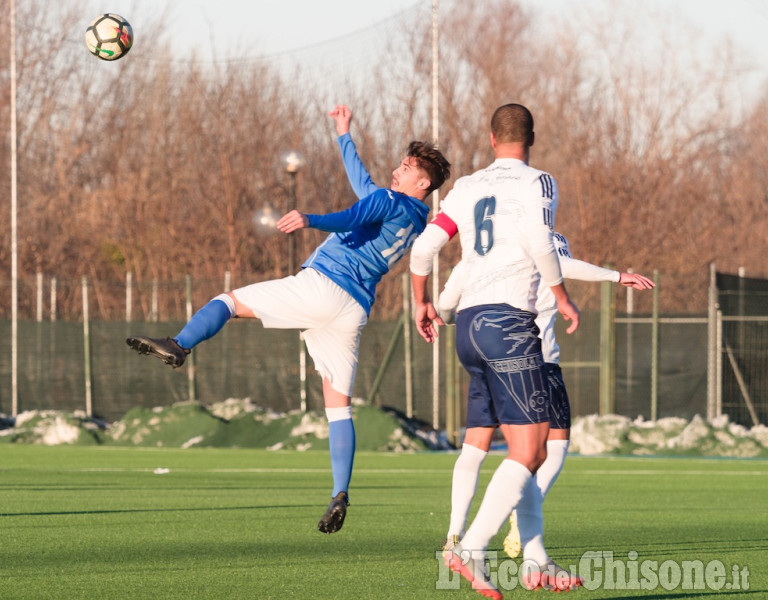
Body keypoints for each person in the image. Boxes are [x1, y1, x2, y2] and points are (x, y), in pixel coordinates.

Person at [126, 104, 451, 535]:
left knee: (228, 300)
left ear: (422, 182)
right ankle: (340, 493)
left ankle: (180, 344)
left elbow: (355, 213)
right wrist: (343, 134)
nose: (396, 169)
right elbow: (362, 186)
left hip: (323, 288)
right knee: (338, 410)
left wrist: (310, 219)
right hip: (352, 312)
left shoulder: (389, 201)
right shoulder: (415, 217)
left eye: (405, 167)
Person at [410, 103, 580, 597]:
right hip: (508, 323)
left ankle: (535, 559)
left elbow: (424, 251)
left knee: (527, 445)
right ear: (532, 137)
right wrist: (562, 295)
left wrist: (422, 300)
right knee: (531, 449)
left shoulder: (465, 186)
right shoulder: (538, 182)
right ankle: (471, 547)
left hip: (468, 325)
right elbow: (538, 239)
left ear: (490, 138)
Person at [436, 233, 655, 565]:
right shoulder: (543, 243)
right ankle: (521, 519)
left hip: (484, 352)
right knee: (551, 448)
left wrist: (438, 311)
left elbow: (448, 300)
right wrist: (616, 275)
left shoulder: (490, 253)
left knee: (473, 449)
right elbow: (560, 264)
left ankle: (454, 535)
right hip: (534, 361)